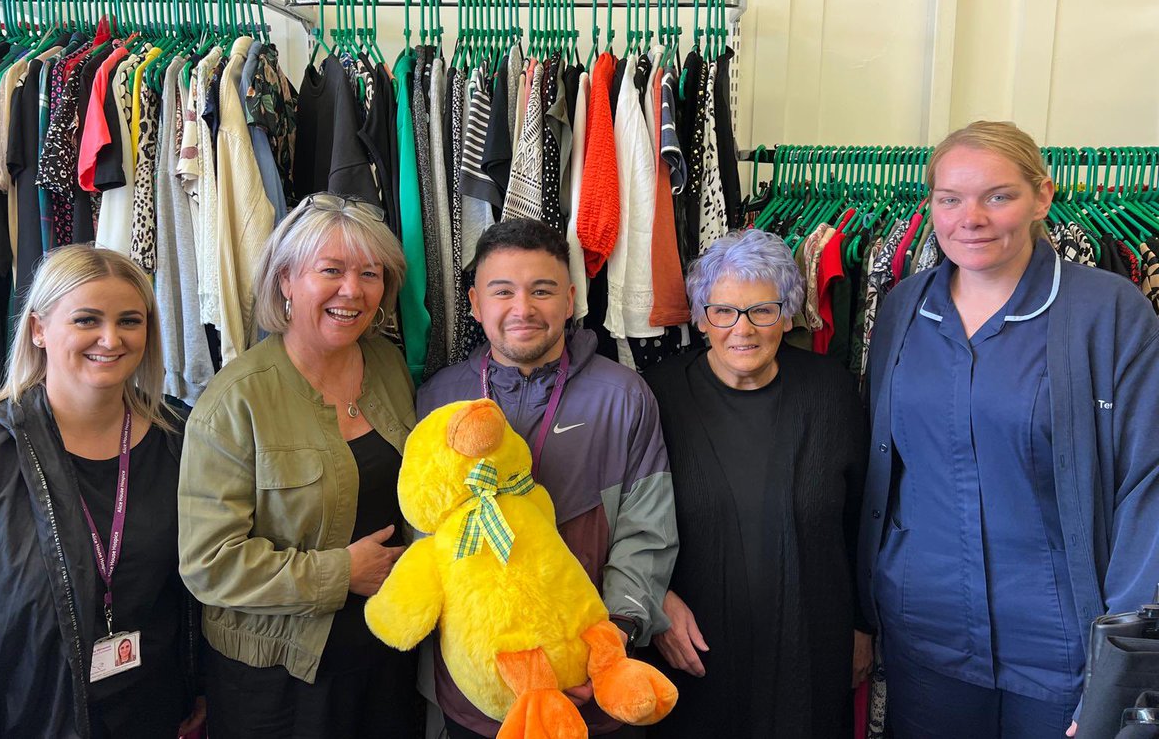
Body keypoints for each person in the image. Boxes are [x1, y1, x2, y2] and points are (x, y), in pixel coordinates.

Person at [860, 121, 1159, 739]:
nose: (970, 217)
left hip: (1062, 643)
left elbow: (1146, 486)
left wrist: (1121, 662)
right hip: (925, 628)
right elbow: (882, 472)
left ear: (1042, 197)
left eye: (998, 195)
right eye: (950, 199)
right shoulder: (903, 309)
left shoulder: (1108, 312)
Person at [416, 218, 678, 739]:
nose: (523, 308)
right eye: (503, 291)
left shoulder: (623, 396)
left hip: (596, 694)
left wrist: (609, 640)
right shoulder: (439, 398)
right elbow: (425, 534)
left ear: (570, 299)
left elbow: (647, 534)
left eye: (542, 290)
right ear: (473, 303)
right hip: (476, 698)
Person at [178, 193, 420, 737]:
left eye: (369, 273)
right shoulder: (235, 402)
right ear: (285, 280)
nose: (352, 290)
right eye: (330, 270)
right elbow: (209, 563)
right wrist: (341, 573)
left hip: (386, 655)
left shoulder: (387, 364)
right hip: (279, 675)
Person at [0, 244, 203, 739]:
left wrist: (199, 686)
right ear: (38, 329)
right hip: (29, 717)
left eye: (130, 321)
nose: (110, 339)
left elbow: (194, 592)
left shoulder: (180, 436)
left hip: (157, 713)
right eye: (87, 320)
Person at [641, 229, 872, 738]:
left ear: (787, 316)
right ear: (701, 319)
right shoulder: (656, 398)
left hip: (810, 644)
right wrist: (656, 600)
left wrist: (862, 626)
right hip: (693, 652)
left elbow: (862, 517)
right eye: (723, 311)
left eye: (762, 311)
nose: (741, 329)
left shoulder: (831, 391)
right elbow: (623, 524)